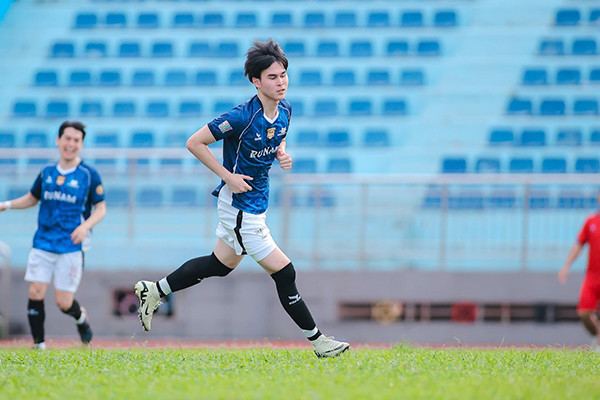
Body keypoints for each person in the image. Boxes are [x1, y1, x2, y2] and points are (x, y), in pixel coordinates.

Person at [134, 39, 349, 358]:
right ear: (256, 81)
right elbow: (194, 143)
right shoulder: (240, 117)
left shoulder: (286, 110)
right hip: (239, 208)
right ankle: (319, 342)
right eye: (272, 77)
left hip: (257, 204)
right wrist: (228, 177)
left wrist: (282, 154)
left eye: (284, 75)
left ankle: (154, 290)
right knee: (285, 272)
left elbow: (277, 137)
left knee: (219, 265)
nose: (281, 82)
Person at [0, 121, 106, 349]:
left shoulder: (88, 174)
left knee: (63, 302)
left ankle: (81, 318)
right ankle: (39, 345)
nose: (71, 144)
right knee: (35, 290)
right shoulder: (47, 172)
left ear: (81, 144)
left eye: (76, 140)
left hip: (71, 245)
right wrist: (6, 205)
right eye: (67, 138)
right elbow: (32, 198)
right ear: (58, 141)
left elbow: (101, 208)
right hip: (43, 241)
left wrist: (85, 227)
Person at [558, 192, 600, 347]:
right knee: (584, 312)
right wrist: (566, 265)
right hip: (592, 276)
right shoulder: (591, 221)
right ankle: (598, 338)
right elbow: (579, 245)